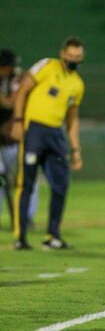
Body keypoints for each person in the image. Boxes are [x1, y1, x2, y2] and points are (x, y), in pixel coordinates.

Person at [11, 38, 85, 250]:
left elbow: (72, 119)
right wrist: (18, 121)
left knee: (61, 185)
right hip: (34, 129)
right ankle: (20, 237)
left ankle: (52, 235)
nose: (73, 60)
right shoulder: (46, 66)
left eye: (77, 57)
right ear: (63, 53)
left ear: (82, 58)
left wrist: (75, 149)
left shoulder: (78, 84)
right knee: (26, 183)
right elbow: (23, 91)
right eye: (70, 56)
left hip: (56, 134)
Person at [0, 48, 38, 229]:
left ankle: (27, 217)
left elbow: (14, 102)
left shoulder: (21, 78)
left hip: (18, 139)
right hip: (4, 140)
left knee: (28, 177)